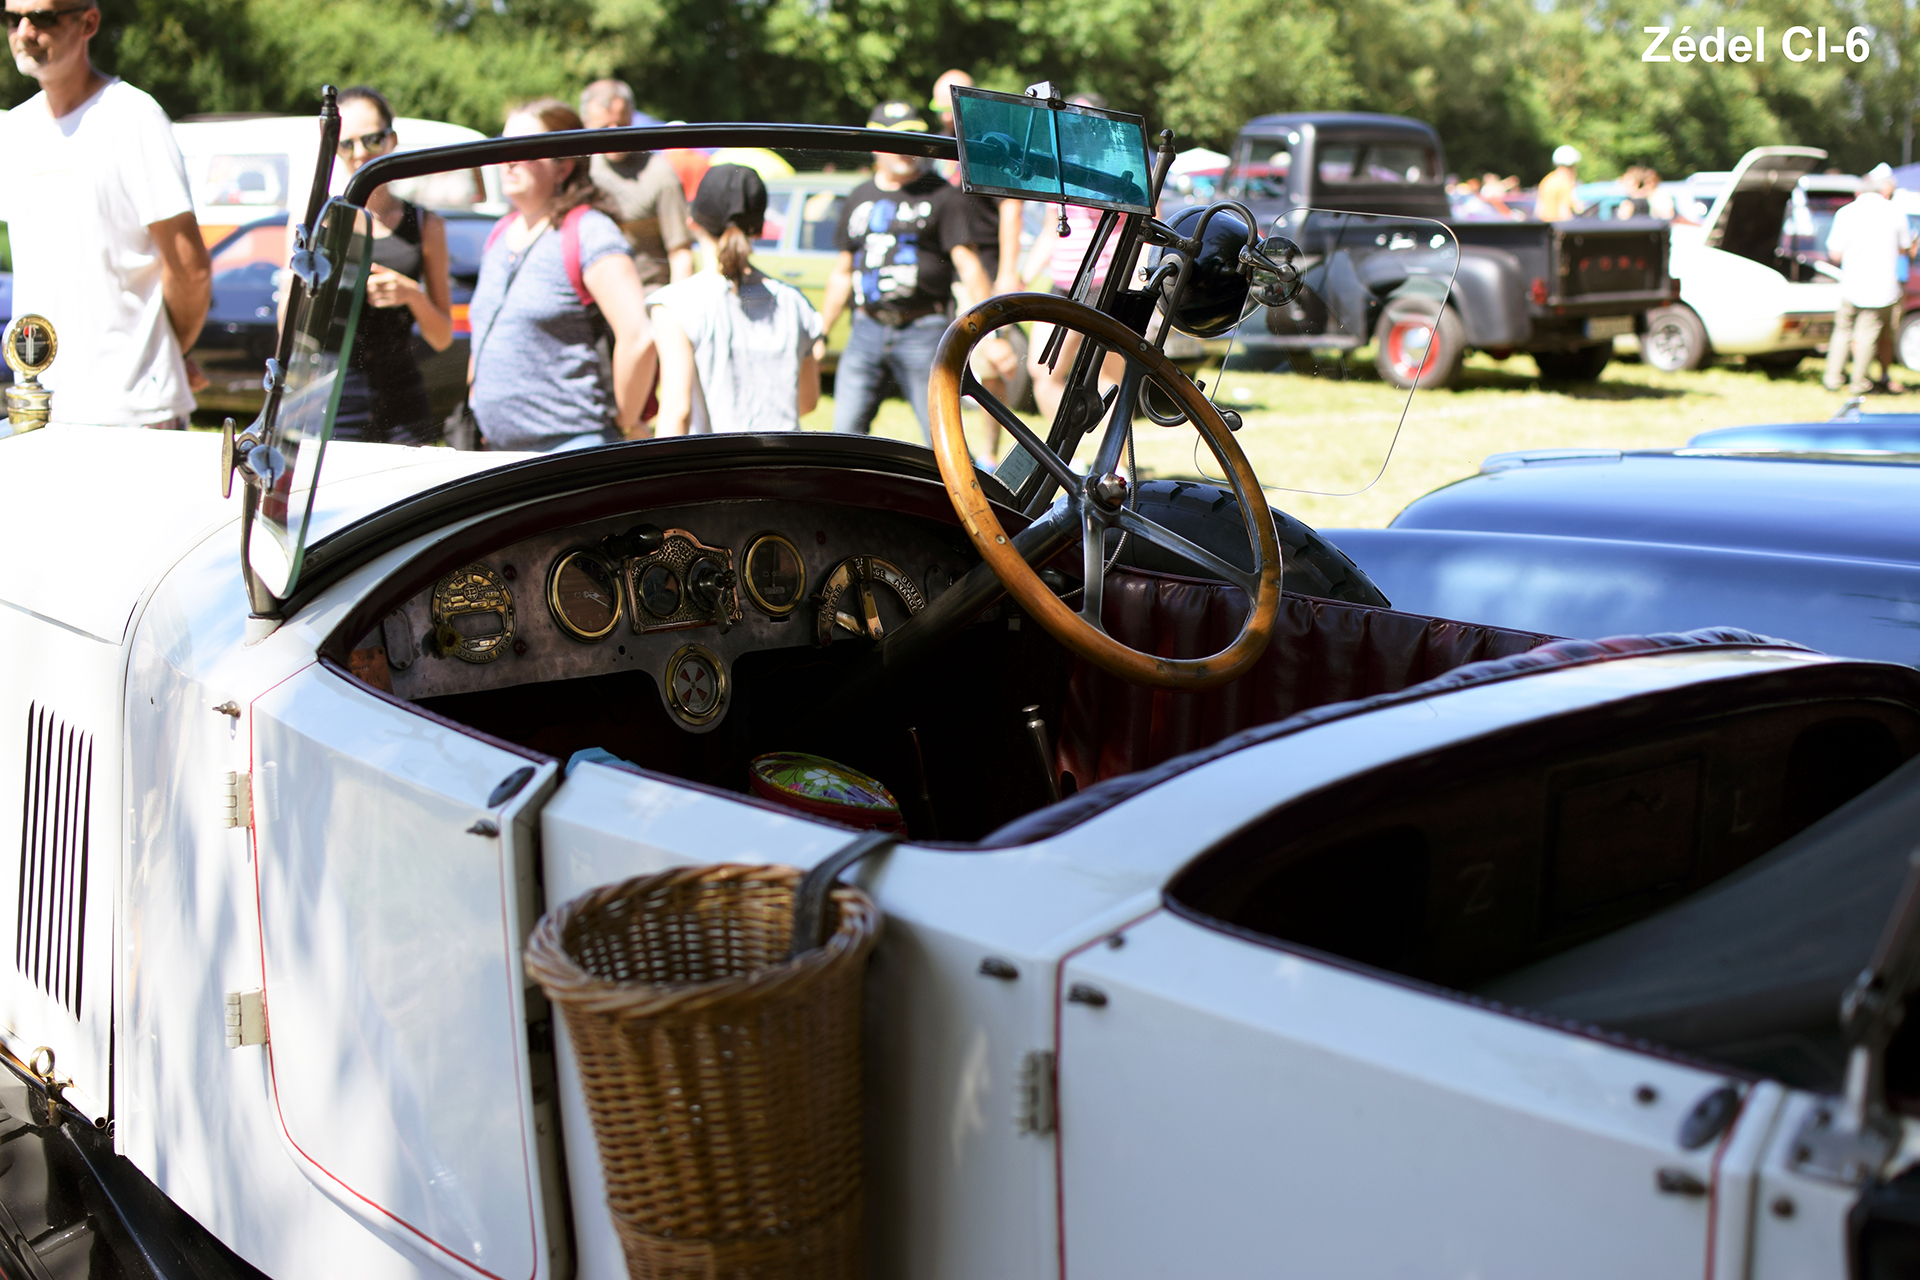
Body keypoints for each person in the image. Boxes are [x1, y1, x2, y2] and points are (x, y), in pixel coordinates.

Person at [0, 0, 210, 428]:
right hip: (41, 408)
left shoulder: (134, 117)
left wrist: (165, 351)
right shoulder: (15, 131)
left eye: (42, 17)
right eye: (12, 18)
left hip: (133, 412)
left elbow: (190, 269)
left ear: (89, 22)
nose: (24, 31)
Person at [466, 99, 655, 450]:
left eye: (524, 149)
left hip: (567, 454)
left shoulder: (589, 232)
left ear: (564, 166)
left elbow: (639, 337)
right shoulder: (500, 233)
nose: (508, 160)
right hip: (495, 452)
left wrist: (626, 424)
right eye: (503, 145)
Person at [820, 100, 993, 442]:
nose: (905, 149)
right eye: (896, 140)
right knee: (843, 438)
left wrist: (994, 332)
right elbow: (842, 272)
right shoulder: (858, 197)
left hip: (924, 331)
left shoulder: (942, 194)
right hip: (865, 330)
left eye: (912, 138)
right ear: (875, 144)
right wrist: (821, 333)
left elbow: (968, 264)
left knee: (942, 440)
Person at [649, 164, 822, 435]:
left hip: (712, 470)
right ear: (759, 231)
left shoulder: (674, 305)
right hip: (784, 467)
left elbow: (677, 412)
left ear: (692, 222)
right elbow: (807, 402)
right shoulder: (794, 302)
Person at [329, 85, 454, 445]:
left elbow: (442, 336)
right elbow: (290, 326)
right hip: (335, 395)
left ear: (392, 140)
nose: (359, 154)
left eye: (371, 140)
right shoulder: (323, 221)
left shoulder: (424, 225)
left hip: (401, 396)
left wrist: (412, 295)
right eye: (346, 143)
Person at [930, 68, 1026, 463]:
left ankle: (988, 456)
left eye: (953, 104)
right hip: (944, 268)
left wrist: (1007, 268)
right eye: (941, 106)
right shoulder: (935, 148)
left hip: (982, 266)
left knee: (990, 364)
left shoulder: (990, 145)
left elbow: (1011, 208)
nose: (947, 115)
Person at [580, 79, 693, 291]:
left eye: (621, 125)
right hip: (590, 305)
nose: (614, 133)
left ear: (632, 118)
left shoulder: (659, 174)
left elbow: (680, 254)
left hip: (646, 298)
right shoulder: (579, 171)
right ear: (586, 123)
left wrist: (673, 313)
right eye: (604, 127)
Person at [1824, 163, 1916, 395]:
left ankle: (1832, 378)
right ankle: (1858, 382)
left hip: (1851, 282)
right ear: (1883, 191)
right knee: (1867, 333)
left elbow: (1834, 254)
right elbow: (1904, 250)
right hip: (1881, 285)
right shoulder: (1895, 212)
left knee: (1842, 330)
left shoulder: (1845, 212)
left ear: (1860, 191)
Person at [1536, 145, 1580, 222]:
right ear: (1572, 165)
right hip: (1557, 229)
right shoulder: (1564, 184)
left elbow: (1539, 210)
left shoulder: (1547, 180)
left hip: (1545, 229)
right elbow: (1564, 213)